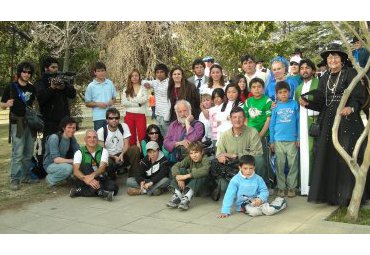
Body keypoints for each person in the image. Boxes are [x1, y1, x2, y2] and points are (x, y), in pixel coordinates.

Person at [301, 43, 368, 206]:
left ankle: (348, 196)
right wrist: (307, 103)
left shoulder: (351, 73)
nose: (332, 59)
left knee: (347, 156)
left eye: (335, 56)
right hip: (328, 121)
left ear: (343, 59)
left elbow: (359, 95)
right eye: (329, 57)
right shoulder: (324, 78)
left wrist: (350, 108)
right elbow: (323, 102)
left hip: (348, 121)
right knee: (328, 156)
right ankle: (331, 196)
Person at [210, 107, 264, 200]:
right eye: (234, 117)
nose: (237, 120)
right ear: (230, 119)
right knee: (223, 186)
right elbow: (219, 152)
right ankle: (237, 189)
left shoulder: (252, 132)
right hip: (231, 167)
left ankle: (256, 188)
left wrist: (236, 155)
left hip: (247, 165)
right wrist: (221, 157)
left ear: (245, 119)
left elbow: (257, 152)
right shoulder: (225, 135)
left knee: (259, 160)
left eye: (240, 117)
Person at [1, 61, 37, 190]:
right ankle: (14, 179)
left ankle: (26, 177)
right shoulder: (11, 87)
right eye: (24, 71)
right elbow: (2, 104)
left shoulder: (32, 88)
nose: (26, 74)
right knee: (18, 153)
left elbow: (32, 105)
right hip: (17, 123)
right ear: (19, 72)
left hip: (30, 124)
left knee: (28, 152)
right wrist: (6, 105)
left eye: (29, 72)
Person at [35, 56, 76, 147]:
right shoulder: (41, 82)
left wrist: (64, 87)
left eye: (57, 67)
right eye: (53, 67)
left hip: (64, 120)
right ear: (46, 68)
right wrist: (51, 88)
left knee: (67, 145)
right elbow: (41, 98)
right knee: (48, 146)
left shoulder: (61, 79)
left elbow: (73, 94)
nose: (56, 70)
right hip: (48, 122)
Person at [270, 81, 300, 198]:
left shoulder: (294, 104)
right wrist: (272, 140)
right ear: (276, 94)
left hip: (292, 140)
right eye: (280, 92)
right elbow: (272, 124)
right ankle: (281, 188)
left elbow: (298, 122)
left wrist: (298, 137)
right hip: (278, 141)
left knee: (293, 164)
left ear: (289, 92)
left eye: (285, 92)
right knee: (279, 165)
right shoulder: (275, 106)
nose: (283, 94)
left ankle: (292, 187)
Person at [70, 129, 118, 201]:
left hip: (98, 177)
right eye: (89, 137)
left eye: (94, 137)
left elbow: (102, 168)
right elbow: (76, 171)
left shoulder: (103, 151)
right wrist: (86, 179)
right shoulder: (79, 152)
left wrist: (91, 177)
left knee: (114, 188)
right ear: (85, 139)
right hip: (83, 178)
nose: (92, 139)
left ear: (97, 139)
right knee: (86, 165)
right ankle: (100, 192)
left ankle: (78, 191)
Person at [294, 59, 319, 196]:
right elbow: (297, 109)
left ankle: (315, 187)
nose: (304, 70)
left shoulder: (319, 83)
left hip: (316, 124)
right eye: (302, 68)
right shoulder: (298, 89)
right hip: (302, 125)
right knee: (304, 154)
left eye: (307, 67)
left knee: (313, 152)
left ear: (313, 70)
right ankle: (305, 188)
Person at [243, 77, 273, 187]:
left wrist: (260, 135)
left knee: (264, 161)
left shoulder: (267, 101)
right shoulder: (248, 101)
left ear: (263, 88)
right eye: (254, 87)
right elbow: (245, 119)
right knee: (251, 161)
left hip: (263, 136)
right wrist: (250, 134)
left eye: (259, 87)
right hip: (250, 136)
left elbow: (268, 119)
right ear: (250, 89)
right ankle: (253, 184)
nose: (257, 89)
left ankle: (267, 184)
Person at [96, 107, 141, 179]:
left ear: (119, 119)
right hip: (110, 156)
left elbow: (127, 144)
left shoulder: (124, 126)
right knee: (106, 159)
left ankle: (133, 174)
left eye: (116, 118)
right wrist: (114, 157)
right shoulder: (101, 131)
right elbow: (102, 151)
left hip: (122, 154)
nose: (114, 120)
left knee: (135, 149)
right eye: (111, 118)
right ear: (107, 120)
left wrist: (122, 154)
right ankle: (111, 176)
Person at [166, 141, 210, 210]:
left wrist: (186, 176)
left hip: (203, 188)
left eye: (196, 152)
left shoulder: (205, 159)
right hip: (193, 185)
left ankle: (186, 198)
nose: (194, 155)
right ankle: (177, 196)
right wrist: (178, 177)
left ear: (202, 152)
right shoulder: (189, 158)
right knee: (181, 171)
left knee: (199, 174)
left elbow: (205, 170)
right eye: (191, 153)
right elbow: (176, 166)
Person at [43, 116, 80, 187]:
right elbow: (56, 160)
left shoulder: (72, 138)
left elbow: (79, 152)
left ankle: (65, 178)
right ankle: (50, 179)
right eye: (69, 127)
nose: (72, 130)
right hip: (50, 164)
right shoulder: (54, 138)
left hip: (63, 163)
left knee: (81, 165)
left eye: (74, 128)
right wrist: (73, 161)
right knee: (68, 168)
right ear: (63, 128)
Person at [85, 61, 116, 131]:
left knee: (111, 139)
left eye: (102, 70)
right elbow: (87, 103)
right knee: (100, 139)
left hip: (111, 116)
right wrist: (97, 104)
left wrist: (111, 101)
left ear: (105, 71)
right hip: (98, 117)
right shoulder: (91, 86)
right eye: (98, 71)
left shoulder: (110, 83)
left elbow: (114, 98)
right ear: (95, 72)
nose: (101, 73)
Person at [121, 69, 148, 147]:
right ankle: (133, 155)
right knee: (131, 136)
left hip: (141, 115)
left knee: (142, 136)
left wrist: (131, 99)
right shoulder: (126, 89)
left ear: (139, 77)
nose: (134, 77)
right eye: (132, 76)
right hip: (129, 115)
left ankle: (143, 155)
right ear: (130, 77)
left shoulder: (143, 88)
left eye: (136, 75)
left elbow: (144, 100)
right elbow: (124, 102)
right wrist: (138, 104)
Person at [143, 63, 171, 136]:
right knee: (159, 136)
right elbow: (143, 82)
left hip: (166, 115)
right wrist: (147, 84)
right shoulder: (155, 82)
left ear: (166, 73)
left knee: (167, 136)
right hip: (157, 114)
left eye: (162, 72)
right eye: (157, 72)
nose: (159, 74)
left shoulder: (170, 82)